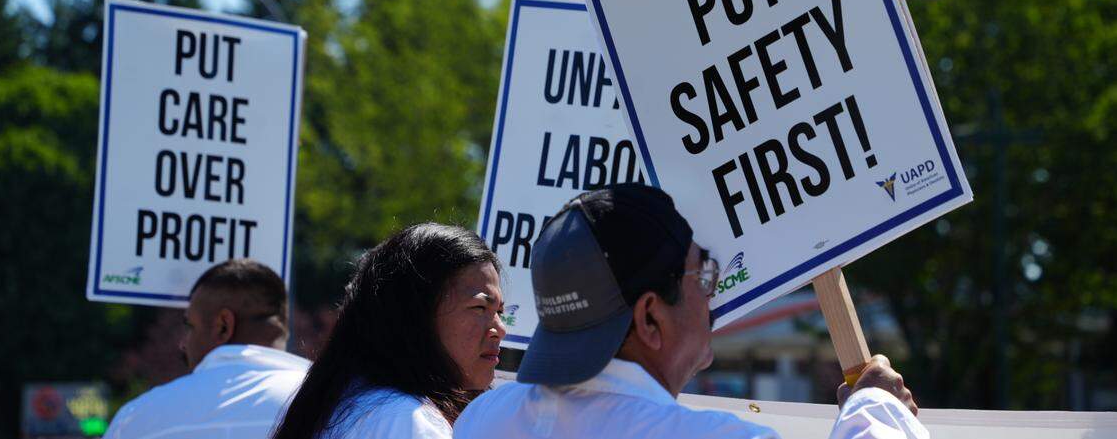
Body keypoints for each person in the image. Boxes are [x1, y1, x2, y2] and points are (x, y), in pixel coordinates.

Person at [454, 184, 927, 439]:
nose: (713, 296)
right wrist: (878, 409)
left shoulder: (483, 422)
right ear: (650, 319)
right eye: (702, 275)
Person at [271, 223, 505, 439]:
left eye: (500, 312)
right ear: (415, 315)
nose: (499, 329)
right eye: (479, 307)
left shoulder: (345, 400)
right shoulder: (408, 420)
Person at [104, 259, 309, 439]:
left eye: (190, 327)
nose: (183, 344)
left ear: (223, 325)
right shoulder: (333, 402)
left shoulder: (135, 418)